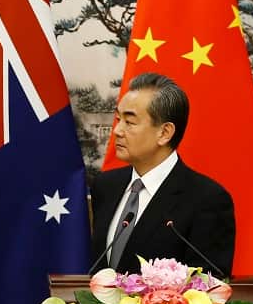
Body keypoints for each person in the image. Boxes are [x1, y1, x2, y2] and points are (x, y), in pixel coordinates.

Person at [90, 72, 235, 278]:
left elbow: (206, 290)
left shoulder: (207, 200)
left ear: (165, 133)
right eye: (117, 119)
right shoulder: (106, 186)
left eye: (129, 122)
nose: (117, 131)